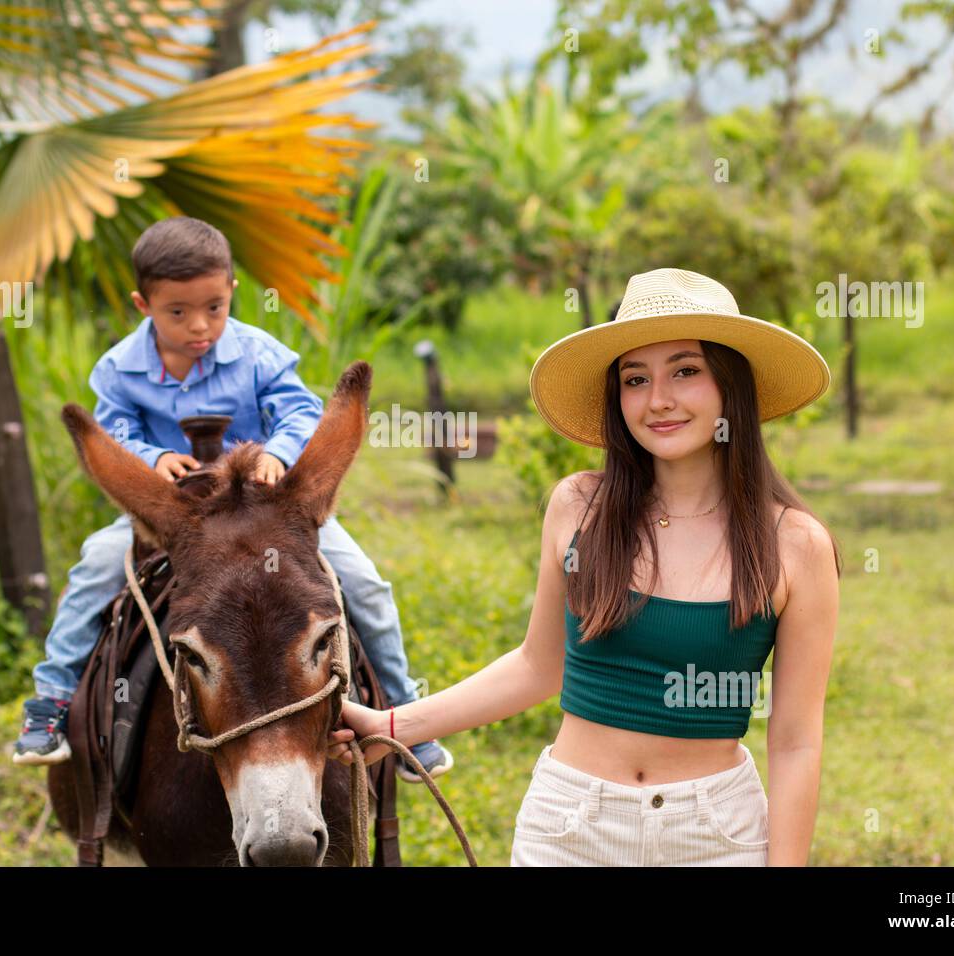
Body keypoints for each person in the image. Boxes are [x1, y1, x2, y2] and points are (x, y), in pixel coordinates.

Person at [329, 267, 841, 864]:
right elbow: (538, 666)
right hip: (571, 828)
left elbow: (797, 741)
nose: (659, 400)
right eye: (635, 378)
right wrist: (393, 727)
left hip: (716, 835)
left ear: (731, 384)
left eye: (686, 370)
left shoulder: (795, 545)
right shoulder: (579, 507)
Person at [13, 216, 453, 782]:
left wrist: (278, 453)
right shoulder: (119, 367)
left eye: (214, 308)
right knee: (95, 567)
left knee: (364, 582)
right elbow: (112, 426)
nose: (199, 326)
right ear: (143, 303)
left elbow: (297, 410)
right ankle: (49, 702)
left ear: (231, 294)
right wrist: (152, 459)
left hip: (269, 509)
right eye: (178, 312)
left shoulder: (257, 353)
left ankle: (403, 711)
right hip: (179, 515)